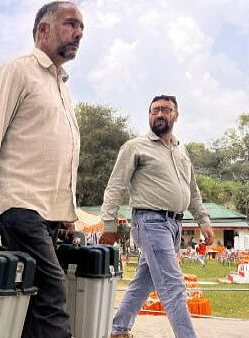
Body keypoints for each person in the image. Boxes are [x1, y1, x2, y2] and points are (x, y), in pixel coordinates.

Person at [0, 2, 84, 337]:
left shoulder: (62, 85)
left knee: (33, 299)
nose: (78, 33)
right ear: (43, 29)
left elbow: (57, 151)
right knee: (53, 291)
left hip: (47, 212)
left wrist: (65, 212)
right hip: (20, 205)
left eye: (81, 29)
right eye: (70, 24)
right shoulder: (17, 71)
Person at [99, 95, 215, 338]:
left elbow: (193, 191)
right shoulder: (135, 146)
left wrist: (203, 221)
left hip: (175, 224)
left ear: (176, 115)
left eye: (165, 110)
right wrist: (109, 223)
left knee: (145, 280)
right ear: (149, 115)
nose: (159, 114)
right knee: (173, 285)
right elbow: (115, 186)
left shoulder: (181, 151)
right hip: (150, 222)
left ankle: (117, 329)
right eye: (155, 110)